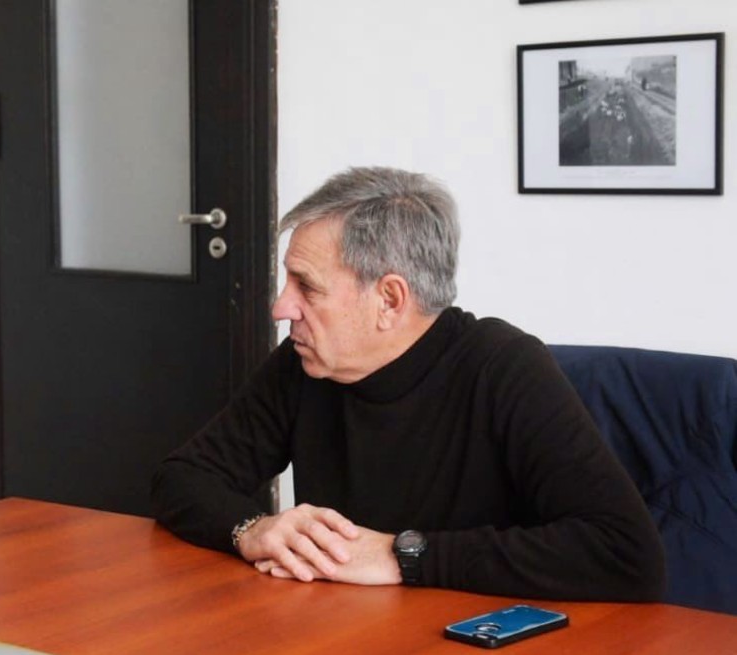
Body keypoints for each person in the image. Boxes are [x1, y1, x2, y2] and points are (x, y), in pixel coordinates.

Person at [151, 166, 664, 601]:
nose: (281, 307)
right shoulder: (306, 364)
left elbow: (626, 552)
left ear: (390, 300)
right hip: (345, 625)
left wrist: (403, 556)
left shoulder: (504, 367)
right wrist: (252, 529)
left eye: (306, 286)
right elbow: (183, 478)